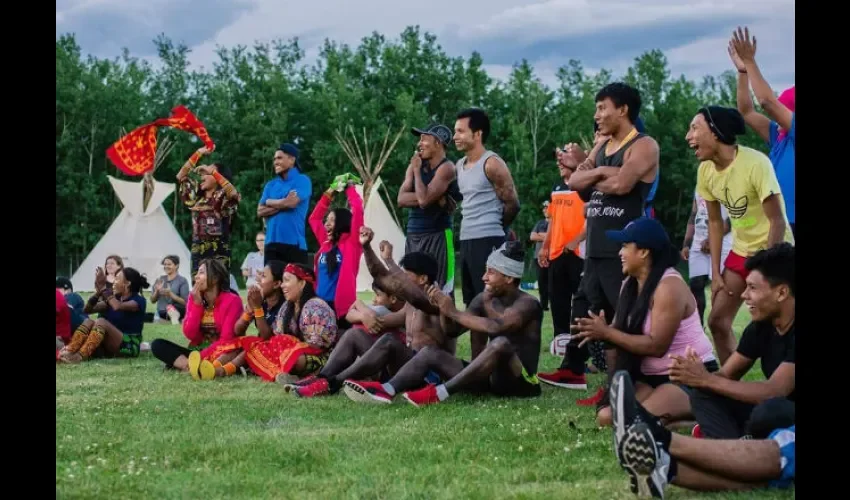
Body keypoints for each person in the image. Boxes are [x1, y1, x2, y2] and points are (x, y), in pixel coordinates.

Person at [558, 82, 660, 389]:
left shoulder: (643, 145)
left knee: (623, 320)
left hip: (624, 247)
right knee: (600, 318)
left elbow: (623, 186)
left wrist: (597, 174)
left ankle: (638, 384)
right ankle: (612, 389)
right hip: (596, 248)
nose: (597, 114)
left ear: (623, 109)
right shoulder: (603, 147)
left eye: (603, 107)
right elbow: (575, 181)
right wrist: (604, 172)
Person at [570, 217, 719, 427]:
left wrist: (608, 333)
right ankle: (671, 420)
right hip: (650, 379)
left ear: (644, 252)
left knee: (632, 421)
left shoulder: (669, 286)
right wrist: (604, 335)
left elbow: (657, 346)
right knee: (605, 418)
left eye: (625, 246)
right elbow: (620, 338)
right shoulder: (629, 286)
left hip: (686, 378)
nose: (620, 253)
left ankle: (694, 418)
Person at [688, 105, 793, 364]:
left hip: (775, 250)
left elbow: (777, 221)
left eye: (694, 128)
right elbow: (714, 221)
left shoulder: (756, 163)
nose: (688, 137)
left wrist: (766, 270)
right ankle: (733, 386)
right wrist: (715, 271)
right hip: (741, 250)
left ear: (715, 132)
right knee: (718, 321)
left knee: (777, 324)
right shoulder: (705, 171)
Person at [386, 242, 543, 407]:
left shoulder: (528, 304)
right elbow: (452, 331)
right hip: (490, 379)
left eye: (491, 272)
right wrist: (443, 310)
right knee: (429, 352)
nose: (484, 277)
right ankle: (387, 389)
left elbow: (497, 327)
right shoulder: (483, 299)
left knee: (500, 343)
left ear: (509, 278)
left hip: (521, 383)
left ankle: (439, 393)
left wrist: (454, 312)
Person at [670, 244, 795, 440]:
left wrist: (707, 379)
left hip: (782, 411)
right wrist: (694, 376)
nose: (744, 295)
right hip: (776, 411)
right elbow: (726, 375)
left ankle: (742, 448)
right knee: (704, 394)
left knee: (770, 410)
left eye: (752, 288)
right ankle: (732, 450)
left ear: (781, 293)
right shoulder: (762, 326)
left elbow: (774, 391)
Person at [610, 371, 794, 497]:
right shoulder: (760, 330)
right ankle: (663, 470)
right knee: (778, 474)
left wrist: (704, 377)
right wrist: (701, 377)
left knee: (787, 447)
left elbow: (774, 391)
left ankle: (660, 440)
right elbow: (729, 370)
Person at [329, 228, 456, 403]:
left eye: (406, 275)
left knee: (389, 340)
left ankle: (335, 381)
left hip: (428, 376)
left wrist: (388, 260)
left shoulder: (437, 301)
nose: (401, 280)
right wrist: (366, 248)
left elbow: (396, 282)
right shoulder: (410, 305)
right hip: (404, 369)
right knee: (354, 335)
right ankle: (323, 378)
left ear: (422, 279)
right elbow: (379, 314)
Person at [454, 107, 520, 359]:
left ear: (477, 133)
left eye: (461, 131)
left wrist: (496, 229)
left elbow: (512, 203)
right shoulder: (459, 165)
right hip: (467, 239)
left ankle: (501, 360)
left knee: (493, 302)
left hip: (489, 238)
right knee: (473, 303)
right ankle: (477, 363)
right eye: (455, 130)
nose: (455, 136)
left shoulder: (492, 163)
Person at [729, 27, 796, 238]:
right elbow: (746, 111)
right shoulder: (779, 138)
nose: (775, 121)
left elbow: (766, 101)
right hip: (779, 223)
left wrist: (750, 62)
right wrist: (742, 72)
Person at [290, 280, 406, 398]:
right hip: (381, 363)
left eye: (378, 295)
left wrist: (359, 306)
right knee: (353, 333)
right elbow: (349, 316)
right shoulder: (387, 308)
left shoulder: (387, 311)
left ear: (393, 299)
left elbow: (366, 317)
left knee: (383, 338)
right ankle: (322, 377)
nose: (374, 299)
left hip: (395, 368)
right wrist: (361, 311)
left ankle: (332, 382)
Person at [536, 144, 588, 389]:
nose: (559, 165)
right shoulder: (557, 189)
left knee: (580, 303)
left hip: (577, 252)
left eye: (563, 161)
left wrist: (576, 241)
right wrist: (546, 247)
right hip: (557, 252)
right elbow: (553, 221)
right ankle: (560, 345)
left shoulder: (584, 187)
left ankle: (581, 353)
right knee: (557, 301)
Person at [241, 263, 338, 385]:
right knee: (254, 345)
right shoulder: (287, 306)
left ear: (302, 283)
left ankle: (274, 371)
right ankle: (282, 373)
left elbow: (317, 346)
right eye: (282, 281)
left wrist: (289, 344)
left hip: (318, 357)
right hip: (290, 352)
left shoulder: (316, 307)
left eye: (286, 280)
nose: (282, 285)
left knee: (296, 359)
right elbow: (275, 336)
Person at [149, 259, 244, 378]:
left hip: (223, 352)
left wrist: (201, 356)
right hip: (198, 350)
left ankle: (188, 366)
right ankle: (194, 367)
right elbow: (190, 334)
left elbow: (226, 339)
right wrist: (197, 305)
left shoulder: (233, 301)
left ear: (215, 279)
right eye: (197, 273)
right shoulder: (194, 297)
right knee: (157, 345)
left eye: (201, 273)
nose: (197, 277)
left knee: (233, 351)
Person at [398, 123, 461, 294]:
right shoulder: (415, 164)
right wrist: (434, 197)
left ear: (438, 143)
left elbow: (424, 201)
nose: (419, 143)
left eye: (424, 138)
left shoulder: (447, 168)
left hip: (438, 235)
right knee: (413, 289)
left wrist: (417, 173)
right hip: (413, 233)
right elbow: (401, 199)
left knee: (440, 291)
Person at [200, 260, 288, 379]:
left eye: (264, 276)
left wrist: (257, 308)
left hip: (274, 352)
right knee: (239, 343)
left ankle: (222, 371)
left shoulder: (285, 306)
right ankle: (211, 367)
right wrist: (248, 311)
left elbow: (267, 337)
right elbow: (238, 331)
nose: (258, 280)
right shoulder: (261, 301)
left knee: (252, 344)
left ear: (277, 284)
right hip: (258, 347)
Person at [58, 267, 149, 363]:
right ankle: (69, 350)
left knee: (101, 322)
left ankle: (79, 357)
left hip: (129, 346)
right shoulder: (113, 299)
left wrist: (104, 289)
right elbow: (87, 310)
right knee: (88, 321)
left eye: (117, 278)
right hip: (108, 346)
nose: (114, 281)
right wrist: (98, 293)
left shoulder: (138, 301)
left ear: (127, 283)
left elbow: (117, 306)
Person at [308, 174, 364, 329]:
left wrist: (349, 189)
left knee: (341, 349)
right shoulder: (325, 243)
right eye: (327, 220)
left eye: (331, 220)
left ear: (342, 222)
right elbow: (314, 219)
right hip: (320, 306)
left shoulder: (352, 243)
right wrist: (330, 192)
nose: (326, 224)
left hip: (342, 309)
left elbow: (358, 209)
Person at [176, 146, 241, 275]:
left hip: (219, 252)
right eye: (203, 174)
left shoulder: (224, 197)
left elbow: (234, 194)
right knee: (198, 290)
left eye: (207, 174)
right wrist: (198, 153)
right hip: (197, 253)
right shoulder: (196, 199)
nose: (202, 176)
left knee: (219, 291)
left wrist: (213, 172)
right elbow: (180, 176)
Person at [680, 191, 733, 325]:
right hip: (698, 242)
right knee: (695, 284)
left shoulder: (728, 183)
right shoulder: (700, 186)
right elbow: (693, 215)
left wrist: (712, 239)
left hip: (723, 242)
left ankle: (718, 324)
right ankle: (698, 326)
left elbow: (733, 218)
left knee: (718, 289)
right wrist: (687, 243)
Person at [257, 143, 312, 266]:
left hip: (294, 244)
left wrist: (269, 202)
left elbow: (291, 203)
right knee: (272, 285)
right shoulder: (270, 185)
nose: (275, 162)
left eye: (279, 158)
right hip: (271, 243)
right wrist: (283, 203)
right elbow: (260, 211)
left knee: (294, 284)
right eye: (274, 159)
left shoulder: (302, 180)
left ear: (292, 159)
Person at [150, 255, 190, 324]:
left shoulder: (182, 280)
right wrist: (156, 291)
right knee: (163, 312)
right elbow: (152, 300)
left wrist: (170, 294)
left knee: (172, 308)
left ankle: (175, 317)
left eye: (169, 264)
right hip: (162, 312)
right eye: (165, 264)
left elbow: (186, 302)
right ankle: (169, 317)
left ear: (176, 266)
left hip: (178, 310)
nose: (166, 266)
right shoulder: (160, 280)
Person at [529, 202, 551, 311]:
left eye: (546, 208)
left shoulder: (556, 222)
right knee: (542, 282)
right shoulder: (540, 223)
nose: (544, 210)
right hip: (538, 257)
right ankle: (543, 305)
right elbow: (532, 236)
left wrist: (541, 235)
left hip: (553, 256)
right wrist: (548, 237)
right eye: (543, 208)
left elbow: (556, 236)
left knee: (553, 282)